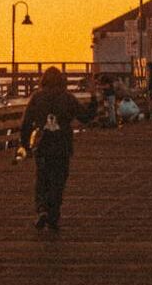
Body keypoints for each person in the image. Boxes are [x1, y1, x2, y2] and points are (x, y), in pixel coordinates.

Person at [17, 66, 96, 232]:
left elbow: (25, 124)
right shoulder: (67, 98)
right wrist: (94, 98)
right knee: (58, 181)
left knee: (42, 179)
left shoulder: (37, 98)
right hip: (62, 145)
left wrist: (24, 145)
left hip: (43, 145)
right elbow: (86, 117)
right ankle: (53, 215)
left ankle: (42, 209)